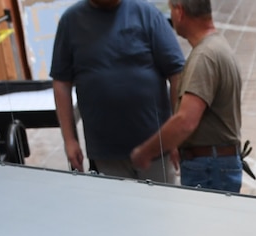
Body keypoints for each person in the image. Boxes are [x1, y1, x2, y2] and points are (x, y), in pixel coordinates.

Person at [50, 0, 186, 183]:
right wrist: (69, 139)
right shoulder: (71, 21)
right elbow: (61, 83)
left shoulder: (147, 15)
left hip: (156, 149)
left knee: (162, 208)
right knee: (116, 209)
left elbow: (177, 74)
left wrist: (176, 137)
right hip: (106, 153)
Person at [131, 0, 243, 193]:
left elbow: (185, 121)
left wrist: (145, 152)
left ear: (180, 12)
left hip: (208, 168)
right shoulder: (218, 46)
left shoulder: (204, 57)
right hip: (217, 163)